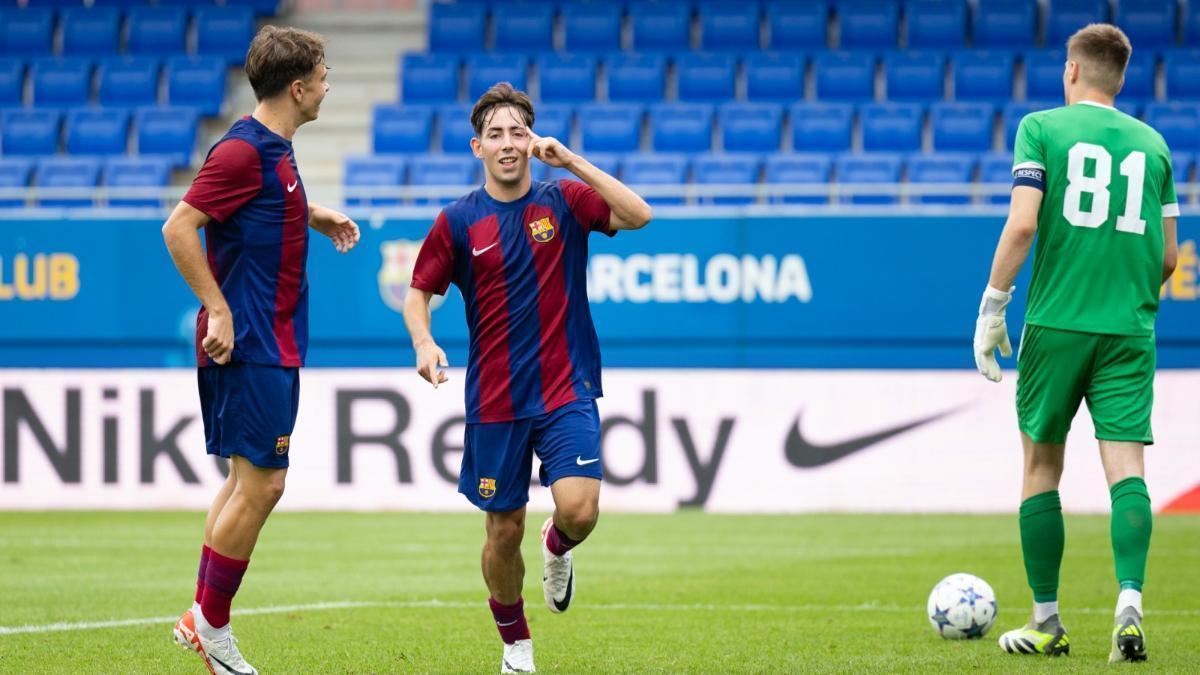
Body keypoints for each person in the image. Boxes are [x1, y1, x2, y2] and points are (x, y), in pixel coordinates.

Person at [403, 82, 652, 673]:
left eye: (519, 132)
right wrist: (423, 341)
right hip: (495, 399)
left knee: (581, 509)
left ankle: (558, 546)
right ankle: (516, 645)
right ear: (477, 147)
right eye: (496, 134)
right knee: (502, 530)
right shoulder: (459, 220)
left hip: (566, 385)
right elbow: (418, 294)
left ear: (532, 139)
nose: (509, 143)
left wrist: (570, 160)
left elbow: (638, 214)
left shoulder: (563, 198)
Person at [973, 23, 1178, 662]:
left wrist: (993, 307)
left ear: (1070, 71)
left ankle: (1046, 621)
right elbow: (1169, 258)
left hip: (1057, 324)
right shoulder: (1155, 145)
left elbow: (1023, 223)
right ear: (1120, 77)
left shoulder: (1041, 128)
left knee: (1040, 468)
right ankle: (1130, 608)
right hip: (1128, 330)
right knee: (1128, 471)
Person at [161, 26, 360, 675]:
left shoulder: (274, 147)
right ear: (299, 88)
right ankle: (212, 625)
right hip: (248, 341)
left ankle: (201, 615)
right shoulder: (243, 151)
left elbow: (263, 210)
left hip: (271, 339)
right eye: (324, 77)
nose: (329, 87)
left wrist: (318, 214)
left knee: (246, 481)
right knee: (265, 482)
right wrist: (218, 307)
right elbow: (179, 225)